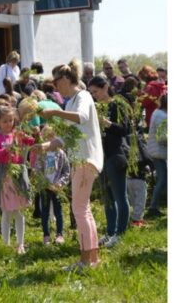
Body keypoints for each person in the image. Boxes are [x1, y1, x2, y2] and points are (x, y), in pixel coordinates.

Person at [40, 59, 103, 271]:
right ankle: (92, 259)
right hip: (79, 159)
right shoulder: (70, 101)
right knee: (83, 209)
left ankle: (86, 261)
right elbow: (66, 138)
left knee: (79, 209)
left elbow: (82, 117)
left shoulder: (82, 96)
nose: (55, 87)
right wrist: (46, 145)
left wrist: (55, 113)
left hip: (86, 159)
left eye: (56, 83)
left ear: (66, 79)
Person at [88, 76, 131, 248]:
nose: (95, 96)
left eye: (96, 92)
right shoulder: (97, 107)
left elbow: (124, 129)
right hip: (102, 156)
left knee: (120, 196)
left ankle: (120, 234)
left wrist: (107, 123)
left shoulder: (117, 105)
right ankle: (110, 232)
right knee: (108, 198)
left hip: (116, 155)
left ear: (105, 87)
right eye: (92, 93)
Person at [0, 106, 32, 254]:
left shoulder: (17, 133)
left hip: (18, 177)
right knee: (6, 212)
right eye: (5, 121)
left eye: (11, 120)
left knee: (19, 212)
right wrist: (6, 149)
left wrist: (32, 135)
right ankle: (6, 243)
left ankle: (20, 243)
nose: (8, 124)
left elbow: (30, 141)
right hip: (5, 177)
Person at [31, 126, 70, 245]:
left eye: (51, 136)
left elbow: (66, 171)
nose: (48, 140)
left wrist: (60, 183)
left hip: (57, 187)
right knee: (45, 212)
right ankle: (46, 235)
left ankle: (59, 234)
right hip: (45, 187)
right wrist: (44, 183)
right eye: (45, 137)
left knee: (58, 211)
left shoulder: (61, 153)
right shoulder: (41, 154)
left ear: (55, 138)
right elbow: (37, 169)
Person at [146, 94, 167, 217]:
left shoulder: (158, 113)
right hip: (159, 152)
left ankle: (155, 206)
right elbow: (162, 137)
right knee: (162, 180)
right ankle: (153, 207)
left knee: (163, 179)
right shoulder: (162, 116)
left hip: (159, 151)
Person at [137, 65, 167, 129]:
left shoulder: (150, 87)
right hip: (164, 116)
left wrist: (139, 96)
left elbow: (144, 102)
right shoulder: (162, 85)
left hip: (153, 117)